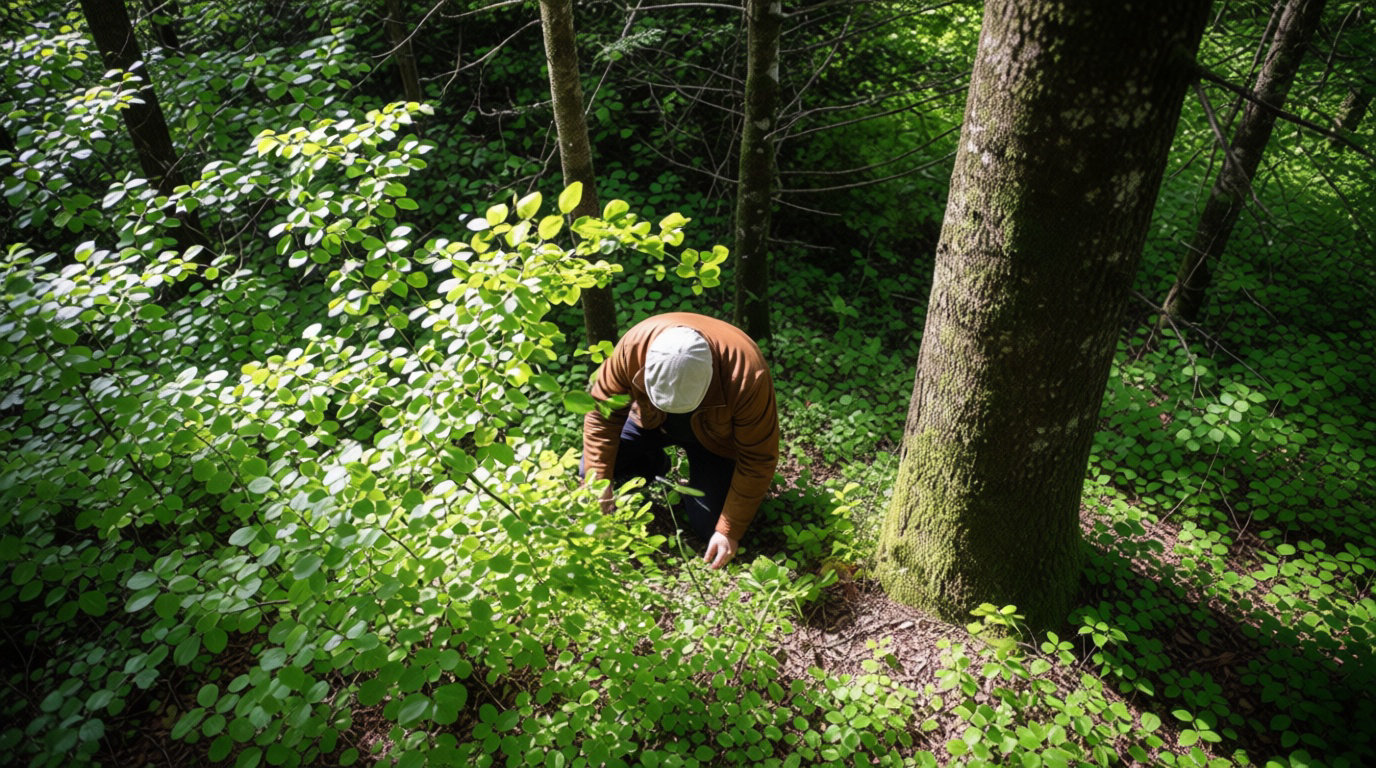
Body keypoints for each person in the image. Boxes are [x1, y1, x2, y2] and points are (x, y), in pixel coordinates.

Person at [581, 312, 779, 570]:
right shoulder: (633, 347)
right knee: (590, 470)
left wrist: (728, 530)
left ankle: (704, 481)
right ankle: (652, 464)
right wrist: (599, 481)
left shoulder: (746, 375)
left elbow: (758, 458)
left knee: (711, 527)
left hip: (715, 441)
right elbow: (601, 417)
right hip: (650, 422)